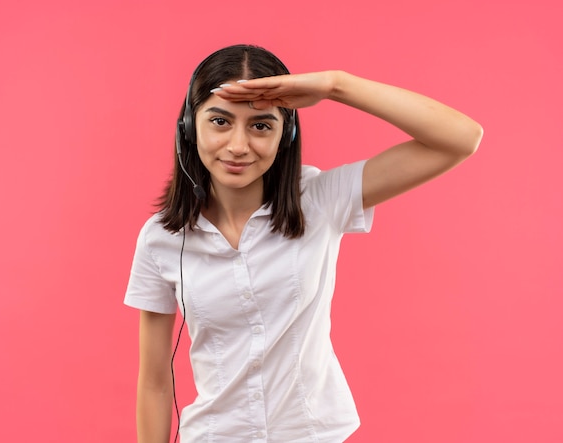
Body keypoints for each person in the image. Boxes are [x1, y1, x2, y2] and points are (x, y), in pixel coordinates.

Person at [124, 44, 483, 443]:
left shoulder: (320, 199)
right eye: (220, 121)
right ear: (190, 128)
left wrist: (335, 85)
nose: (239, 146)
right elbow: (155, 381)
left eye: (261, 125)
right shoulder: (160, 238)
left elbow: (460, 138)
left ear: (286, 134)